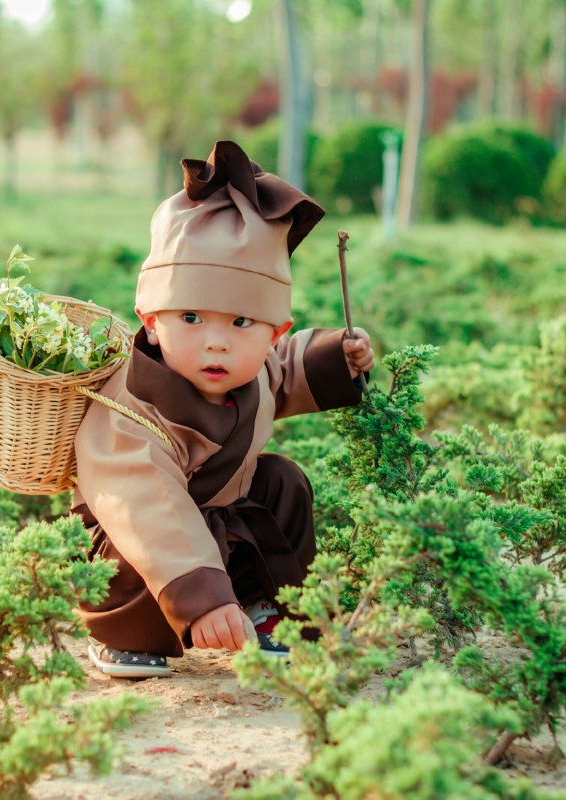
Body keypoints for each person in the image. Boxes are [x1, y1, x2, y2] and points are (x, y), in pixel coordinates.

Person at [71, 140, 374, 679]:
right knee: (130, 547)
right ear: (149, 320)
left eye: (240, 324)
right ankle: (120, 633)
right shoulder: (128, 407)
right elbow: (147, 503)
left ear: (273, 330)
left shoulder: (253, 370)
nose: (216, 343)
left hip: (214, 532)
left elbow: (283, 372)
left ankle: (267, 609)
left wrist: (338, 359)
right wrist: (203, 593)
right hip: (141, 541)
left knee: (281, 483)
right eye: (190, 317)